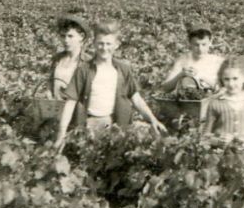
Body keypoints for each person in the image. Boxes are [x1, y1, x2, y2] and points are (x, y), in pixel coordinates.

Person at [53, 21, 163, 150]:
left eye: (108, 44)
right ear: (94, 44)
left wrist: (153, 119)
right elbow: (71, 102)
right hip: (89, 125)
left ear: (116, 45)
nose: (104, 48)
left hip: (116, 125)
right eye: (100, 43)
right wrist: (61, 134)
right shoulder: (84, 70)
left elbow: (136, 98)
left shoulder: (123, 69)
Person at [200, 59, 244, 148]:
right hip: (221, 156)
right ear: (221, 80)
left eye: (235, 78)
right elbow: (204, 137)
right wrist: (218, 141)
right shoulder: (215, 103)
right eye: (226, 79)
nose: (231, 84)